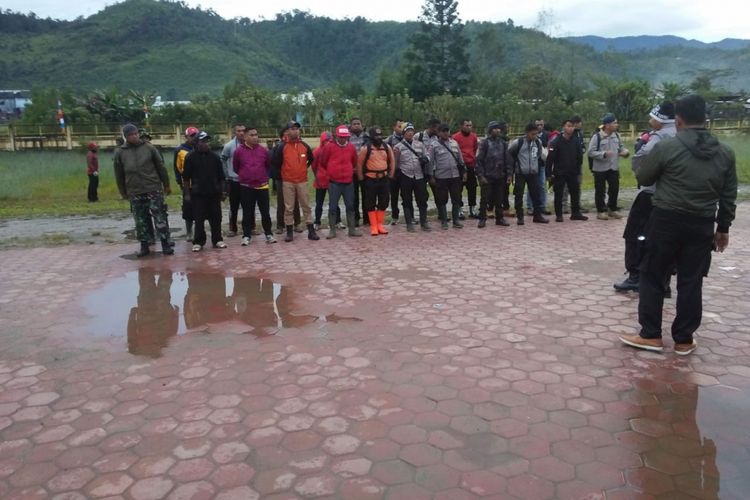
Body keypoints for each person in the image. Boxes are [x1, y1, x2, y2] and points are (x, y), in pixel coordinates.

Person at [619, 94, 737, 355]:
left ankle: (651, 335)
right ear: (704, 118)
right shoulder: (725, 152)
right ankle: (684, 339)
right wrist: (723, 228)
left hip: (666, 221)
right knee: (691, 280)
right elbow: (728, 196)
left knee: (652, 275)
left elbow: (644, 176)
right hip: (702, 224)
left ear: (679, 120)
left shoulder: (667, 147)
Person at [614, 102, 677, 292]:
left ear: (661, 119)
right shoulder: (683, 133)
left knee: (635, 235)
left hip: (651, 194)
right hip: (673, 198)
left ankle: (635, 276)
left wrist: (640, 170)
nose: (650, 121)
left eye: (652, 117)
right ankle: (662, 281)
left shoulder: (660, 137)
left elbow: (642, 157)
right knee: (664, 240)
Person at [114, 123, 173, 257]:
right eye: (130, 135)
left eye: (135, 133)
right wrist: (123, 191)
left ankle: (165, 243)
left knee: (159, 217)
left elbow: (161, 167)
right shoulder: (120, 152)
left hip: (153, 188)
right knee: (140, 220)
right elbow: (119, 173)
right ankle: (144, 245)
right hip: (134, 190)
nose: (134, 136)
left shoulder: (149, 148)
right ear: (126, 137)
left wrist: (166, 184)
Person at [270, 121, 318, 242]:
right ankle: (289, 232)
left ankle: (311, 231)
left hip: (302, 181)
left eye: (297, 129)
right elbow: (276, 162)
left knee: (306, 206)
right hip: (287, 181)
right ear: (287, 132)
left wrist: (303, 169)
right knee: (289, 207)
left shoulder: (304, 146)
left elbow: (311, 159)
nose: (295, 131)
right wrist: (285, 171)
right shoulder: (282, 146)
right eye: (292, 129)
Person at [182, 131, 227, 252]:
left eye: (207, 141)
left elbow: (221, 177)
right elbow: (186, 178)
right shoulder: (190, 157)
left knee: (216, 217)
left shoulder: (215, 157)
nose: (206, 144)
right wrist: (187, 194)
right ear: (196, 143)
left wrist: (223, 191)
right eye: (203, 141)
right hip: (198, 193)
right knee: (199, 218)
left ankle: (217, 239)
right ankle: (198, 242)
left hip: (214, 193)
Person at [317, 124, 363, 238]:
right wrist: (332, 170)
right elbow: (323, 161)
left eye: (345, 137)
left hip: (348, 182)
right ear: (336, 136)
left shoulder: (351, 147)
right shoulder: (329, 147)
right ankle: (332, 230)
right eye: (341, 137)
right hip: (334, 183)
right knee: (332, 206)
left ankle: (352, 229)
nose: (343, 139)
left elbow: (354, 161)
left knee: (350, 206)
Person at [233, 127, 277, 245]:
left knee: (265, 212)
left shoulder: (263, 151)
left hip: (262, 185)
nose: (255, 137)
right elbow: (236, 167)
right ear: (246, 137)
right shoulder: (239, 151)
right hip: (246, 186)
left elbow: (268, 166)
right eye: (252, 135)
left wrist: (263, 177)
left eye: (256, 135)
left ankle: (268, 234)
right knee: (247, 212)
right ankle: (246, 235)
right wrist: (246, 176)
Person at [588, 113, 629, 220]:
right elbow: (591, 152)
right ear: (607, 125)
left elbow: (621, 148)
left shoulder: (617, 135)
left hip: (613, 167)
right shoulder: (597, 136)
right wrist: (603, 154)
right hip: (600, 168)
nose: (616, 125)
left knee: (614, 189)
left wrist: (625, 153)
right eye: (614, 123)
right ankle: (601, 210)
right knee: (600, 190)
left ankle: (612, 209)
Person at [546, 119, 588, 222]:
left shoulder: (576, 141)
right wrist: (549, 173)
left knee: (575, 192)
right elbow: (550, 159)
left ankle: (575, 213)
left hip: (573, 171)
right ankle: (559, 214)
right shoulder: (556, 141)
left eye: (572, 126)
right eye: (568, 126)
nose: (570, 128)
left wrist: (577, 169)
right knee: (559, 194)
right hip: (559, 172)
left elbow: (579, 156)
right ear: (563, 127)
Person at [392, 122, 431, 232]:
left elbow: (427, 155)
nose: (410, 133)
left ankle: (424, 222)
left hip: (419, 176)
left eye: (412, 131)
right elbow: (395, 163)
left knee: (422, 199)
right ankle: (409, 223)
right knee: (406, 199)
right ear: (404, 133)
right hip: (405, 176)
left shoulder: (420, 144)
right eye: (408, 131)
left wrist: (426, 159)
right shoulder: (398, 147)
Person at [358, 126, 395, 236]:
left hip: (384, 178)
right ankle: (373, 226)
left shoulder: (386, 147)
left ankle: (380, 224)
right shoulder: (366, 148)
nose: (378, 138)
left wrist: (391, 175)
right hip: (370, 179)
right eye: (376, 136)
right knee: (370, 202)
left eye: (380, 136)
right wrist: (361, 179)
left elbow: (392, 161)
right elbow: (359, 164)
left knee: (384, 201)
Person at [509, 123, 549, 225]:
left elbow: (541, 155)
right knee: (519, 195)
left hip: (533, 173)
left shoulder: (538, 142)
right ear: (527, 133)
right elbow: (509, 153)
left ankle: (538, 215)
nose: (534, 136)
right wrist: (513, 167)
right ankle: (520, 217)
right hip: (521, 173)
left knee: (536, 194)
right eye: (532, 134)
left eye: (536, 134)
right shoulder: (518, 142)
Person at [475, 121, 511, 228]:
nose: (498, 130)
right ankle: (482, 219)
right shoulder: (484, 143)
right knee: (484, 199)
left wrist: (509, 174)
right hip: (487, 176)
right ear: (490, 130)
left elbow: (507, 160)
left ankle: (499, 218)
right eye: (495, 128)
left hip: (500, 175)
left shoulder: (503, 144)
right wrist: (481, 175)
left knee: (499, 199)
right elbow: (479, 160)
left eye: (499, 128)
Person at [430, 124, 466, 229]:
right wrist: (431, 176)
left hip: (455, 175)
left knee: (456, 198)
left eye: (447, 131)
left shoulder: (454, 143)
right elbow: (431, 162)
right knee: (442, 199)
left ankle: (456, 220)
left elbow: (460, 159)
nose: (446, 133)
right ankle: (444, 221)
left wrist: (464, 172)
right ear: (439, 132)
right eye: (443, 131)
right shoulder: (434, 145)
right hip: (441, 176)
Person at [271, 126, 302, 235]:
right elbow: (275, 163)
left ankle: (297, 223)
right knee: (282, 203)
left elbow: (307, 160)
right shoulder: (279, 147)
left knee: (295, 202)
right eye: (290, 130)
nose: (293, 132)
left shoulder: (299, 145)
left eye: (295, 129)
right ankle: (280, 225)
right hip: (282, 179)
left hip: (296, 178)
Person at [312, 131, 342, 231]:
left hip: (332, 180)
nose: (328, 142)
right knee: (319, 203)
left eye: (330, 140)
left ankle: (337, 221)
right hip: (320, 180)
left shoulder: (334, 150)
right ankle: (317, 222)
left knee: (334, 202)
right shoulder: (316, 151)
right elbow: (314, 166)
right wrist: (317, 176)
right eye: (326, 140)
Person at [220, 123, 246, 237]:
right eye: (238, 131)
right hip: (233, 180)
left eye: (243, 131)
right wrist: (226, 175)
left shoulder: (250, 144)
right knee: (233, 206)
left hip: (247, 181)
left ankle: (250, 227)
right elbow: (223, 160)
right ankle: (232, 228)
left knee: (248, 205)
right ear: (235, 132)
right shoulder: (229, 146)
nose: (241, 133)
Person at [174, 127, 199, 240]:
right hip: (187, 185)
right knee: (188, 209)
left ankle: (200, 231)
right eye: (192, 135)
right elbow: (177, 168)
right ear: (186, 136)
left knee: (201, 208)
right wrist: (180, 183)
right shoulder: (180, 150)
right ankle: (189, 232)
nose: (194, 138)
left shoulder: (200, 147)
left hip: (200, 184)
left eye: (196, 135)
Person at [453, 119, 479, 219]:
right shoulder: (456, 137)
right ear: (461, 126)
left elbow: (475, 148)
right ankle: (459, 209)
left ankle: (472, 209)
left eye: (470, 125)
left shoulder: (474, 137)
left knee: (472, 188)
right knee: (458, 189)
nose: (469, 127)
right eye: (467, 125)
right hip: (459, 166)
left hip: (471, 165)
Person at [526, 118, 550, 215]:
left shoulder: (547, 135)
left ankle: (542, 206)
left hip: (541, 165)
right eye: (537, 125)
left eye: (541, 125)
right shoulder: (528, 137)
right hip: (530, 166)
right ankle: (530, 207)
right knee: (531, 187)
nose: (539, 127)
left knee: (542, 186)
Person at [349, 118, 367, 226]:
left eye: (358, 124)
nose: (356, 126)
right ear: (350, 126)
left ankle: (367, 218)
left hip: (365, 171)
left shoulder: (367, 136)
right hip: (352, 172)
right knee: (353, 196)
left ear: (362, 125)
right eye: (354, 124)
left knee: (366, 195)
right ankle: (356, 219)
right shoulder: (347, 138)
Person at [385, 119, 404, 224]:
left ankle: (409, 216)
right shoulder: (389, 140)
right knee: (394, 195)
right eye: (399, 126)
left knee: (407, 195)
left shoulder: (409, 139)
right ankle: (395, 216)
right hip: (393, 172)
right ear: (394, 127)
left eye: (402, 126)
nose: (401, 128)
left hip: (406, 172)